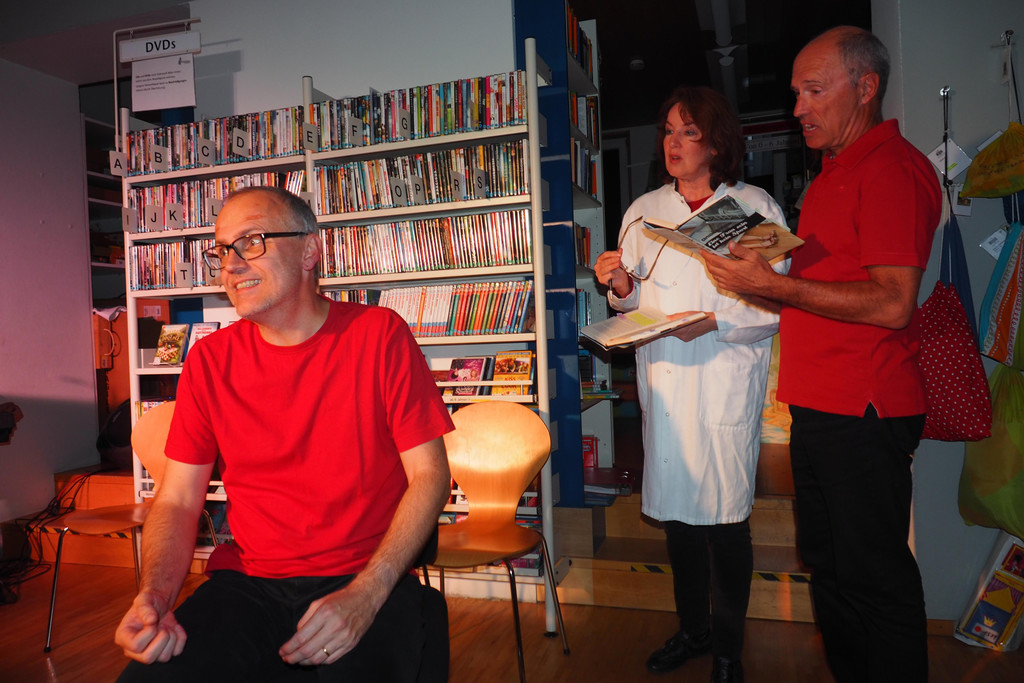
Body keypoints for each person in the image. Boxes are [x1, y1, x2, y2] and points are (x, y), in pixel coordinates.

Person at [114, 186, 454, 682]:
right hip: (249, 584)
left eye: (251, 241)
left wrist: (368, 593)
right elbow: (179, 500)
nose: (231, 265)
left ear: (310, 250)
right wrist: (156, 597)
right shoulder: (209, 361)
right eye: (221, 251)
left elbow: (431, 477)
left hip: (364, 575)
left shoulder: (379, 335)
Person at [703, 26, 941, 683]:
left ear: (866, 88)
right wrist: (761, 278)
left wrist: (776, 286)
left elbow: (893, 302)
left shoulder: (892, 169)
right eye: (795, 93)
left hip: (862, 406)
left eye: (813, 91)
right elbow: (824, 288)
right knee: (832, 572)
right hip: (819, 405)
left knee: (873, 578)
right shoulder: (835, 170)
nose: (798, 107)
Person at [594, 85, 790, 683]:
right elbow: (633, 302)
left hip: (722, 375)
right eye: (668, 132)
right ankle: (693, 631)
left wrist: (717, 322)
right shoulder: (644, 211)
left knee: (727, 523)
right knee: (679, 522)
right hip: (668, 384)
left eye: (689, 132)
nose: (673, 143)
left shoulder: (751, 207)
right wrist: (620, 286)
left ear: (716, 141)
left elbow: (773, 302)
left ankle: (728, 650)